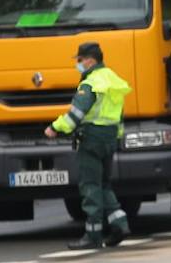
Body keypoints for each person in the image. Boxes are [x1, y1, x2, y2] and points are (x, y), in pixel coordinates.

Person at [45, 42, 132, 249]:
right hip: (110, 137)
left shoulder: (90, 83)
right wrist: (117, 137)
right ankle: (120, 224)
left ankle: (93, 236)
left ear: (91, 60)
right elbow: (119, 114)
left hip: (91, 138)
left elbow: (76, 114)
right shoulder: (113, 79)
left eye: (80, 60)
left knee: (90, 186)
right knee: (104, 184)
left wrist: (55, 128)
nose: (78, 64)